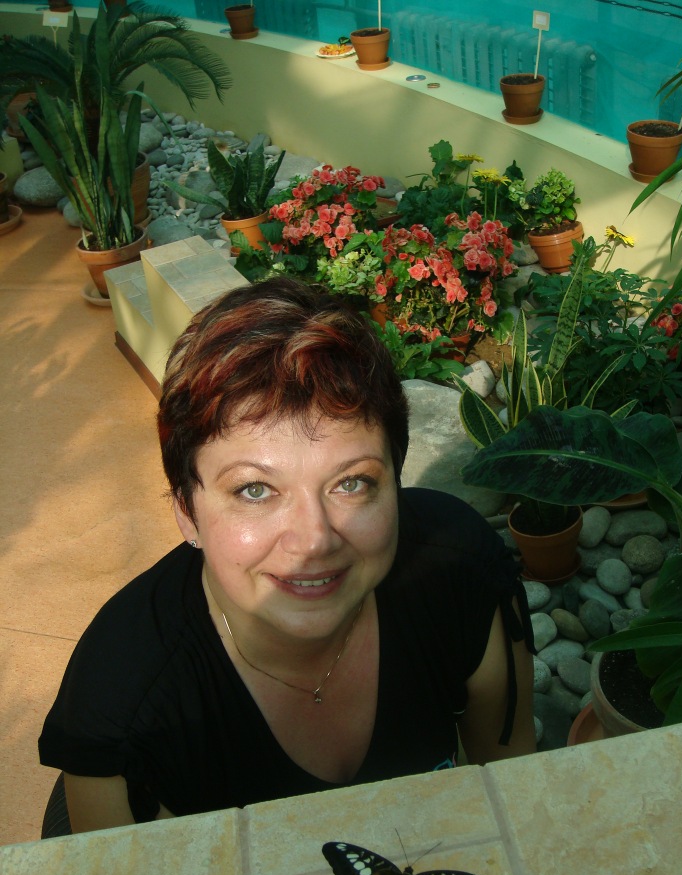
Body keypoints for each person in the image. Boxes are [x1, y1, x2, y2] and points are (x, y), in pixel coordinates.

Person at [39, 277, 536, 833]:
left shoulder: (460, 576)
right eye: (255, 490)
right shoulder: (125, 703)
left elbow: (511, 798)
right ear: (186, 511)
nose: (314, 540)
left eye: (351, 483)